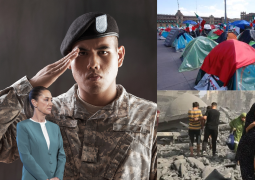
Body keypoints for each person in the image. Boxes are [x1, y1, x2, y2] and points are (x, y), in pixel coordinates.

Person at [0, 12, 157, 180]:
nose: (93, 64)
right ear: (69, 61)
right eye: (82, 54)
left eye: (103, 52)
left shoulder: (149, 116)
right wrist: (29, 86)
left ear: (119, 56)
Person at [17, 86, 66, 180]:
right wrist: (44, 178)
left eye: (51, 100)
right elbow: (26, 157)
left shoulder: (55, 127)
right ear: (34, 102)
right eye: (46, 100)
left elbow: (61, 155)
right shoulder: (23, 126)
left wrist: (58, 177)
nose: (51, 103)